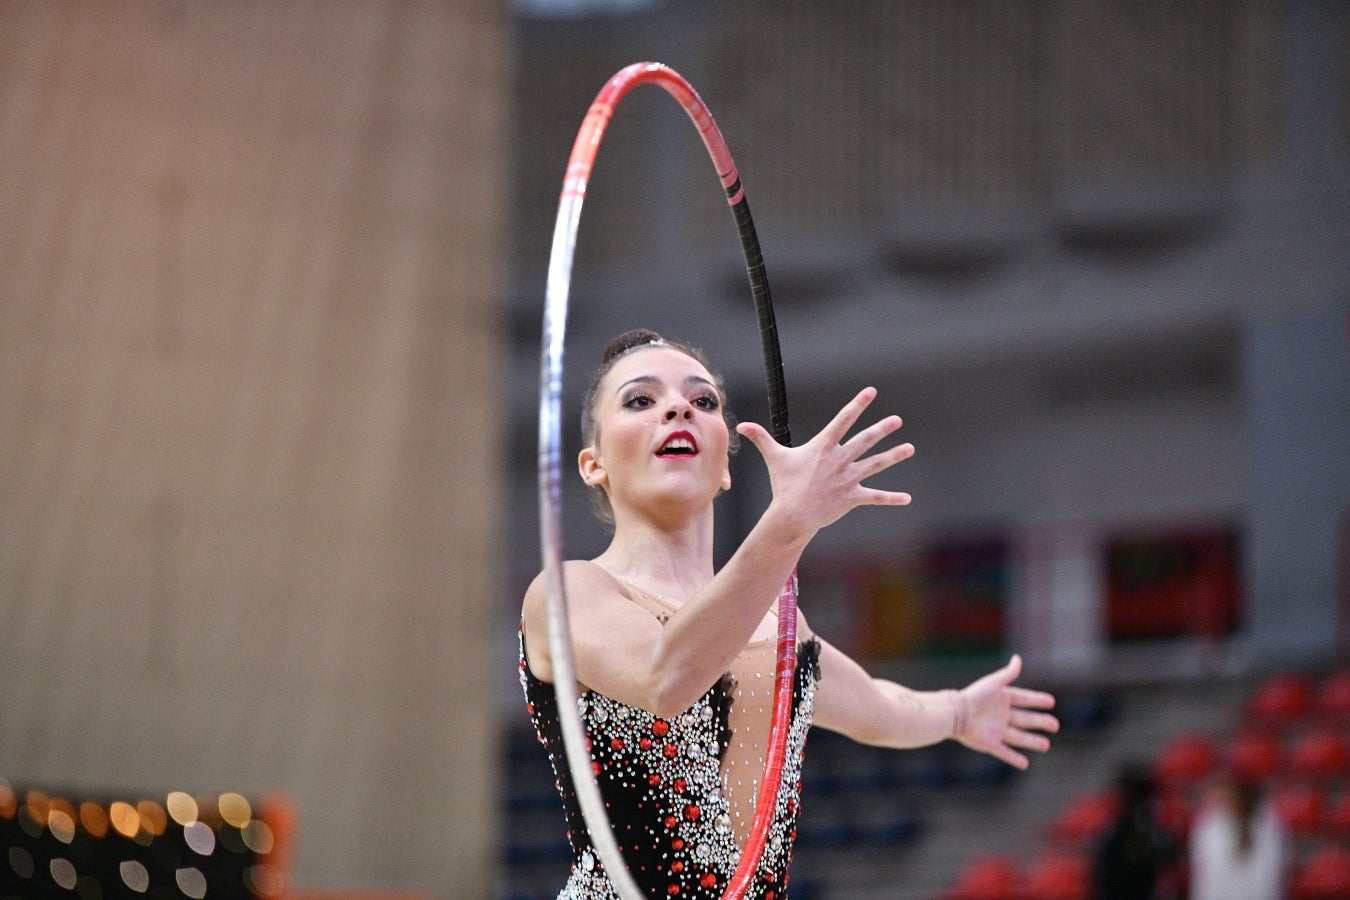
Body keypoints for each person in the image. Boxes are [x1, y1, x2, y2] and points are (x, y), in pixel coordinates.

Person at [520, 328, 1059, 898]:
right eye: (639, 400)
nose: (678, 407)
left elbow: (876, 707)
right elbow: (665, 674)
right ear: (592, 464)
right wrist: (789, 522)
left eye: (702, 401)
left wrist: (956, 712)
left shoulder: (777, 626)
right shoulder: (568, 592)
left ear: (726, 467)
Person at [1187, 770, 1287, 900]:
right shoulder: (1208, 824)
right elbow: (1204, 874)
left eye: (1222, 792)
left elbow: (1270, 874)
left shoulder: (1267, 822)